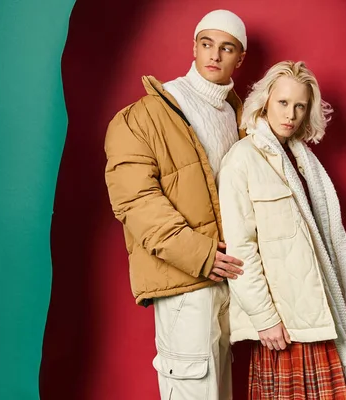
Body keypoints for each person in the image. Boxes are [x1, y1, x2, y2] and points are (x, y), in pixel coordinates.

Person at [104, 9, 248, 400]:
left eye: (226, 48)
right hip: (185, 279)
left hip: (226, 278)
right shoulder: (143, 116)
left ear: (240, 58)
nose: (214, 55)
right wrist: (199, 253)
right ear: (194, 47)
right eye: (206, 44)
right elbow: (134, 201)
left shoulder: (239, 117)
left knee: (218, 392)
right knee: (191, 390)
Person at [218, 60, 346, 400]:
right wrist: (264, 318)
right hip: (283, 326)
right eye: (283, 103)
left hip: (319, 315)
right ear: (265, 100)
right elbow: (240, 251)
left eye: (300, 106)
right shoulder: (241, 160)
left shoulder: (304, 162)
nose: (291, 114)